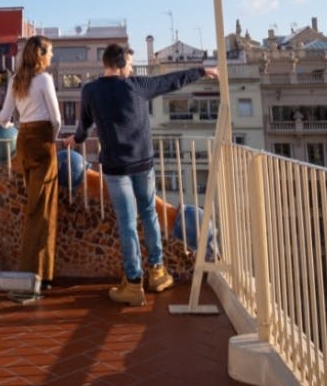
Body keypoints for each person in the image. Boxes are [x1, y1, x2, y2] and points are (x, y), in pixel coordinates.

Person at [64, 43, 217, 306]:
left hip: (115, 168)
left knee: (126, 222)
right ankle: (157, 272)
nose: (132, 68)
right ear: (122, 65)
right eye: (130, 64)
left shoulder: (90, 90)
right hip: (142, 165)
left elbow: (85, 126)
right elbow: (171, 81)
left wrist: (74, 140)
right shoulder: (137, 86)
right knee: (148, 213)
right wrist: (202, 70)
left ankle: (133, 283)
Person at [0, 35, 62, 292]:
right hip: (43, 144)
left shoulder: (16, 80)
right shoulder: (44, 80)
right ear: (41, 54)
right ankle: (39, 274)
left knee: (34, 206)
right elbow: (56, 119)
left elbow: (3, 118)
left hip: (23, 142)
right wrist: (52, 139)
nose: (52, 57)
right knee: (44, 208)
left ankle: (32, 270)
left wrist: (15, 127)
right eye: (51, 53)